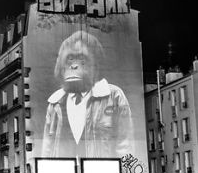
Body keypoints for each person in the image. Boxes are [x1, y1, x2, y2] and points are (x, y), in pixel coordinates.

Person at [42, 29, 134, 158]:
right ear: (61, 64)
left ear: (95, 64)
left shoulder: (114, 97)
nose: (74, 66)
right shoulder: (55, 103)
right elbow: (47, 151)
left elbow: (125, 148)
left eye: (81, 58)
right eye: (70, 59)